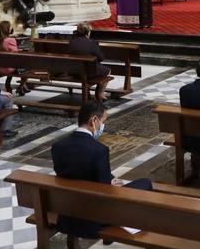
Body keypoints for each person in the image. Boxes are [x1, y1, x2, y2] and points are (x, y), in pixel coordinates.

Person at [50, 100, 153, 238]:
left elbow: (71, 173)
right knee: (145, 183)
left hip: (67, 212)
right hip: (93, 218)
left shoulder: (58, 146)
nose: (103, 126)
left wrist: (108, 180)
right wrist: (109, 184)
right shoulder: (99, 150)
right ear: (94, 120)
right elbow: (106, 192)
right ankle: (141, 227)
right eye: (103, 121)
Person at [68, 22, 110, 98]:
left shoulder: (72, 42)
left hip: (75, 72)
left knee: (92, 68)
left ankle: (88, 91)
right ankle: (100, 93)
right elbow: (101, 58)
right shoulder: (92, 43)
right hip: (89, 73)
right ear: (88, 32)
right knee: (107, 70)